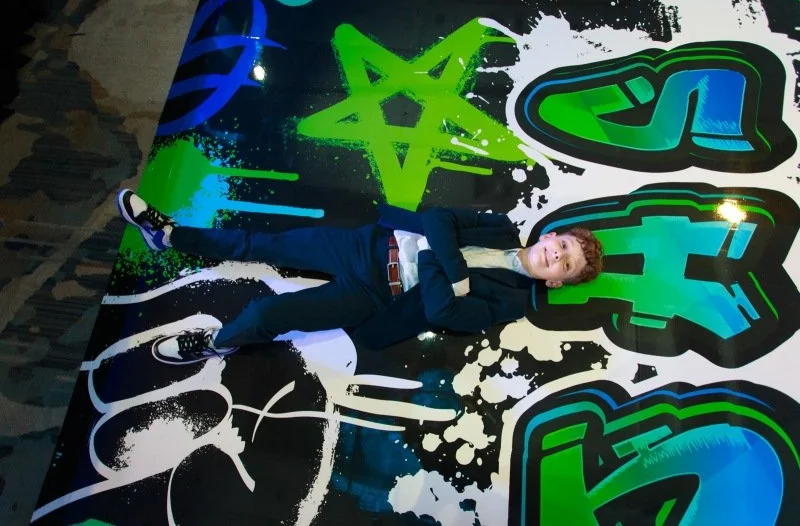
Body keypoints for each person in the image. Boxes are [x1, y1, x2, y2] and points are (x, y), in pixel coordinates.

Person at [116, 189, 603, 364]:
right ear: (551, 235)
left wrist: (435, 255)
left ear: (556, 282)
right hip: (370, 245)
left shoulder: (512, 302)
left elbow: (442, 311)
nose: (556, 256)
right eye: (562, 246)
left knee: (269, 314)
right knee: (262, 244)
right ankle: (171, 236)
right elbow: (436, 218)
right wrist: (453, 270)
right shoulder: (501, 226)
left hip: (375, 295)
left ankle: (216, 343)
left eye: (566, 264)